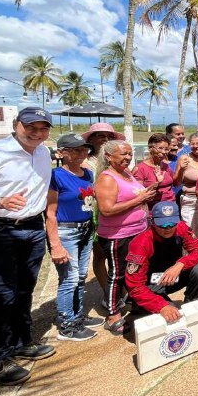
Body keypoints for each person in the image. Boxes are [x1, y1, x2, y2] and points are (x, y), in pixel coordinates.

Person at [0, 107, 57, 385]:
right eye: (31, 127)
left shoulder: (43, 152)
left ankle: (21, 342)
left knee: (24, 289)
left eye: (43, 128)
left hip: (31, 227)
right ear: (16, 124)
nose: (37, 133)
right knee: (1, 295)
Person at [94, 140, 157, 334]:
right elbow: (106, 209)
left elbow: (133, 196)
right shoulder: (107, 178)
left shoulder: (126, 174)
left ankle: (137, 303)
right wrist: (139, 199)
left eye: (130, 154)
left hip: (138, 230)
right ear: (108, 157)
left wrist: (147, 193)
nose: (128, 157)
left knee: (137, 270)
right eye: (123, 154)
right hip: (118, 235)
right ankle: (113, 313)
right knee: (118, 274)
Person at [46, 134, 104, 342]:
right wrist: (55, 245)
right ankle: (67, 325)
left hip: (86, 229)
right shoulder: (56, 176)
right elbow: (50, 213)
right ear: (62, 153)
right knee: (69, 279)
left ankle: (78, 316)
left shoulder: (87, 173)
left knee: (79, 277)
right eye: (75, 149)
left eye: (84, 149)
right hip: (66, 231)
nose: (82, 153)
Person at [125, 201, 198, 322]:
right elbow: (135, 286)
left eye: (172, 224)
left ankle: (192, 305)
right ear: (153, 222)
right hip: (151, 284)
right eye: (162, 225)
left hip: (173, 277)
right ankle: (140, 307)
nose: (167, 228)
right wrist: (162, 306)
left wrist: (180, 264)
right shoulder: (140, 243)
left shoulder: (181, 227)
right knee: (171, 313)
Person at [81, 122, 123, 302]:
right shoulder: (85, 163)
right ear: (90, 140)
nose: (104, 139)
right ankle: (108, 291)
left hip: (116, 211)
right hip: (94, 211)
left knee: (117, 253)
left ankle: (117, 289)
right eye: (99, 135)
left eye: (108, 136)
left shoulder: (118, 162)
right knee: (100, 255)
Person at [173, 132, 198, 241]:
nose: (196, 146)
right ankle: (192, 257)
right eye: (192, 144)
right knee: (191, 235)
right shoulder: (184, 159)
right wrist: (181, 169)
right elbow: (176, 183)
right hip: (190, 201)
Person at [132, 133, 175, 205]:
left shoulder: (166, 166)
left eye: (166, 149)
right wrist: (157, 184)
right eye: (160, 148)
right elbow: (138, 195)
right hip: (152, 210)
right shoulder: (140, 169)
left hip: (171, 208)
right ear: (150, 149)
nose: (164, 152)